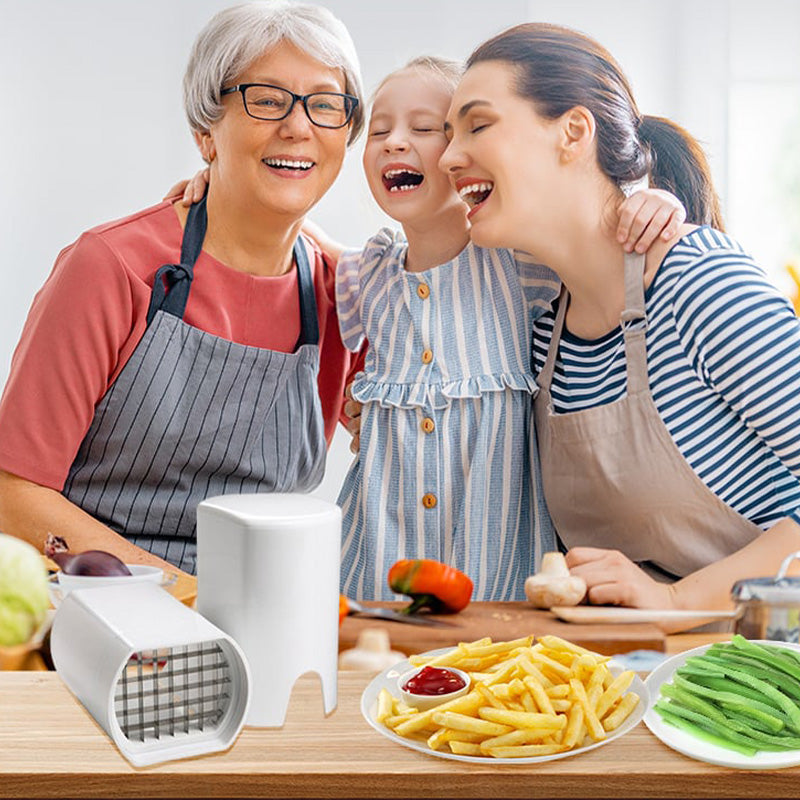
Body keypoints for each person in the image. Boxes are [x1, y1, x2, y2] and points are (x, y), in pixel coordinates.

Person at [439, 22, 800, 614]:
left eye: (478, 125)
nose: (450, 156)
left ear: (573, 133)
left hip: (761, 674)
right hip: (636, 674)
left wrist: (674, 598)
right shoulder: (543, 335)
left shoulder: (698, 281)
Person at [0, 1, 365, 576]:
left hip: (269, 611)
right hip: (96, 605)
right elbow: (15, 493)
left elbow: (420, 446)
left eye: (325, 105)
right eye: (267, 100)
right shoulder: (110, 266)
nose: (298, 127)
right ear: (205, 131)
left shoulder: (341, 295)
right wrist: (186, 596)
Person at [328, 56, 685, 601]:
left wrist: (648, 198)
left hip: (498, 575)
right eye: (379, 130)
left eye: (425, 129)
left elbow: (591, 228)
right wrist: (217, 184)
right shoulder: (366, 272)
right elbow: (292, 238)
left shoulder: (517, 263)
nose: (394, 142)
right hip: (376, 569)